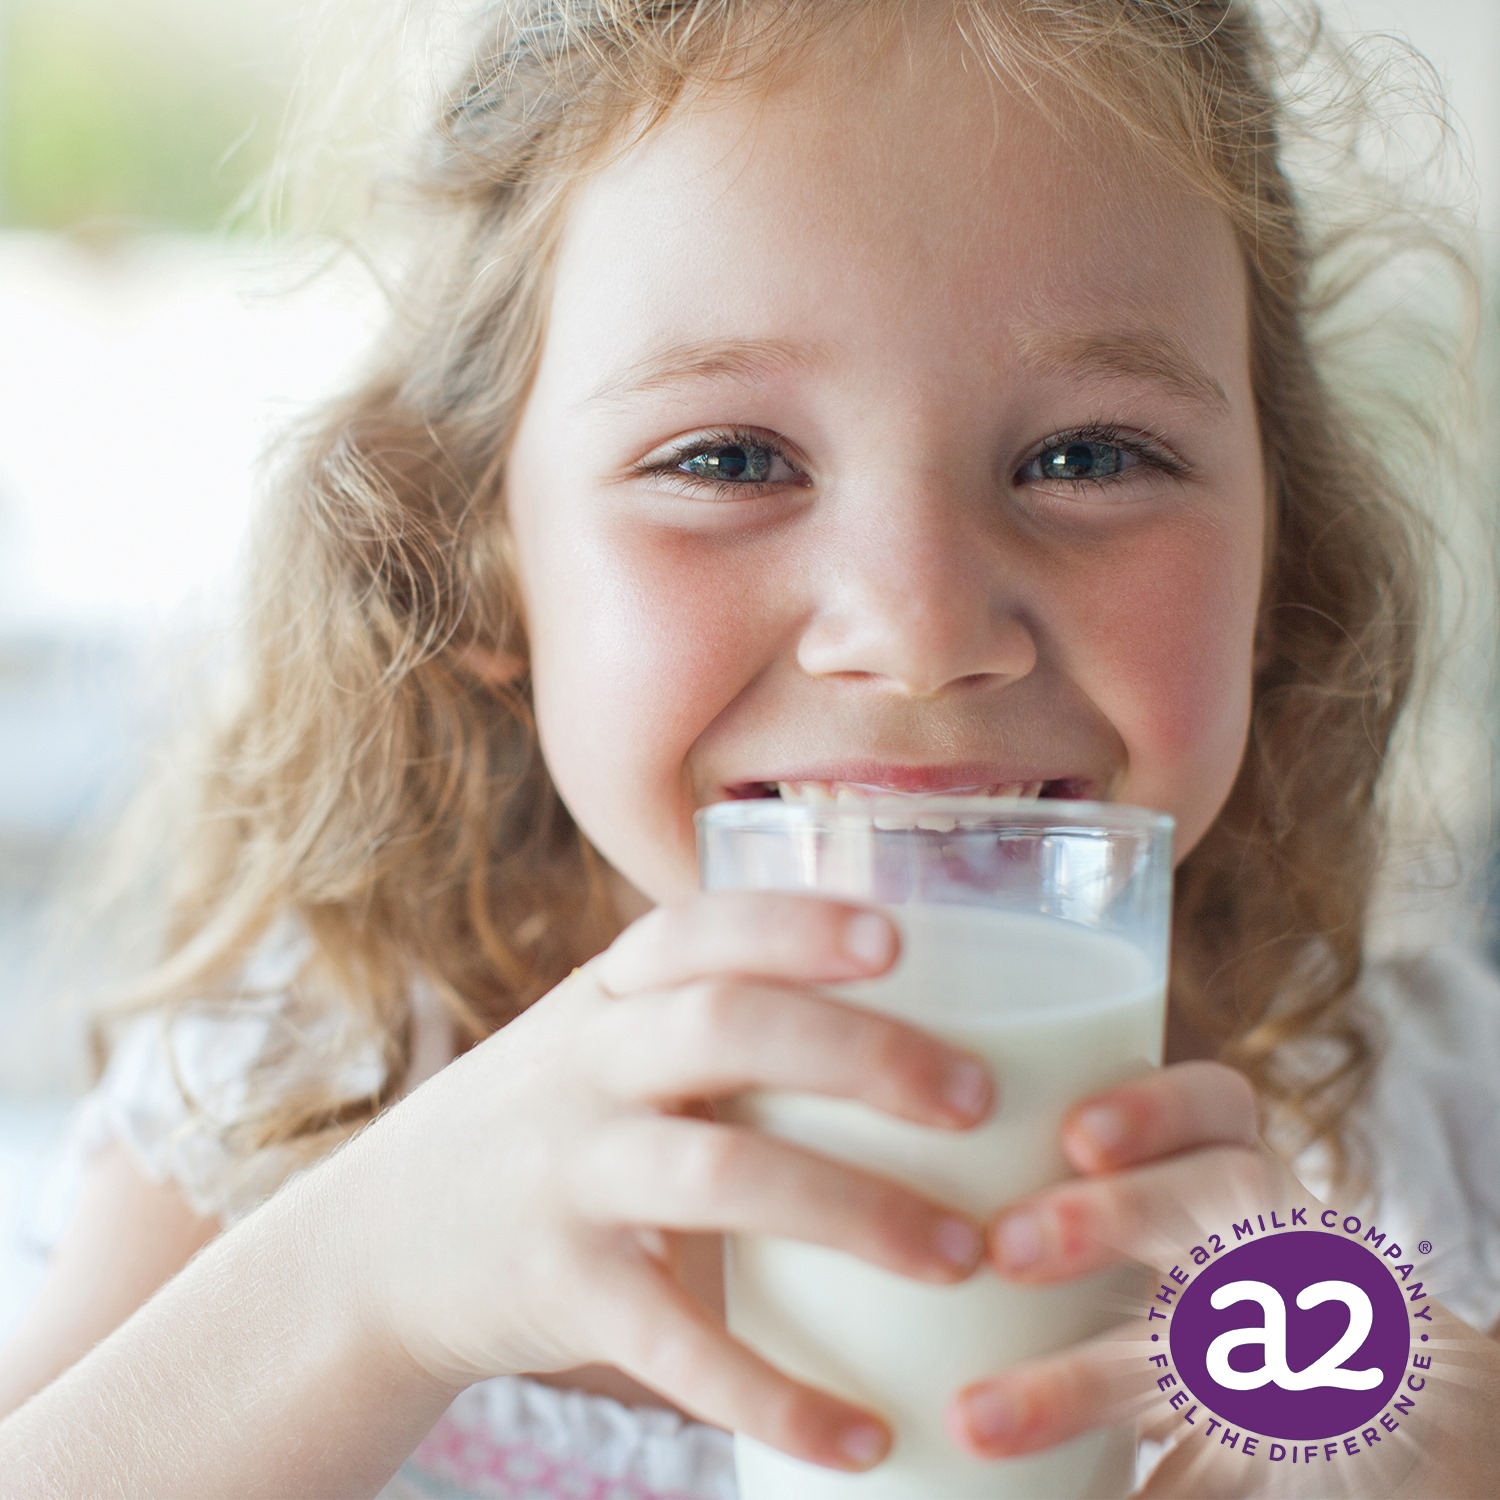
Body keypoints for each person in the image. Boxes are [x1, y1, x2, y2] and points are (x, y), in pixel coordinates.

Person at [1, 0, 1497, 1495]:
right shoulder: (309, 1088)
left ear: (1280, 560)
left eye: (1088, 456)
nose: (918, 632)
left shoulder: (1416, 1140)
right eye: (727, 460)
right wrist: (362, 1287)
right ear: (472, 561)